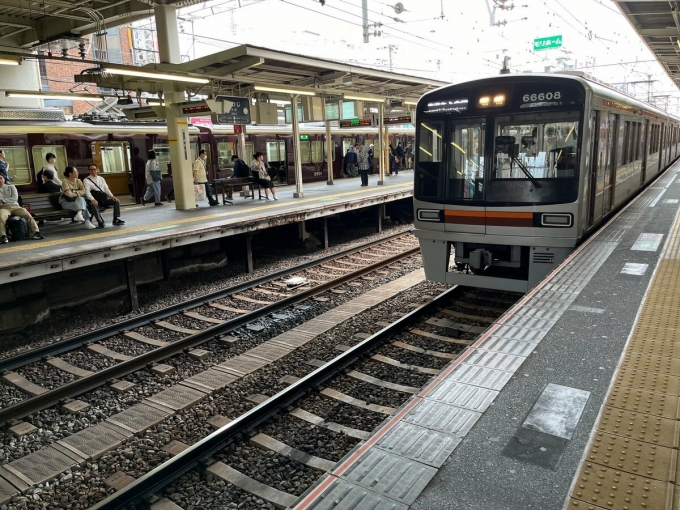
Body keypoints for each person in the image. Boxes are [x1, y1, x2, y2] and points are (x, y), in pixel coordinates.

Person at [0, 174, 43, 243]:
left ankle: (36, 232)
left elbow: (14, 198)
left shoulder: (11, 187)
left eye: (1, 178)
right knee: (1, 217)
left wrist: (3, 201)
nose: (0, 180)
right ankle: (3, 236)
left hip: (15, 206)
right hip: (4, 208)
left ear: (4, 179)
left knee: (27, 214)